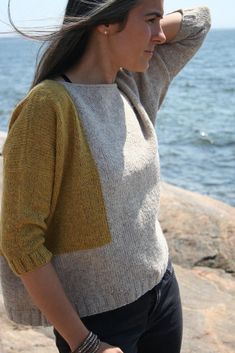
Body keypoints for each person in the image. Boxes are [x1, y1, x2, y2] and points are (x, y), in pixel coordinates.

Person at [0, 0, 211, 352]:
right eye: (150, 21)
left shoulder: (132, 85)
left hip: (162, 291)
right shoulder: (48, 107)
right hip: (101, 323)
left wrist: (144, 16)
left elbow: (199, 22)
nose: (160, 36)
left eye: (160, 21)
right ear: (106, 24)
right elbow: (20, 240)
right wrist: (85, 343)